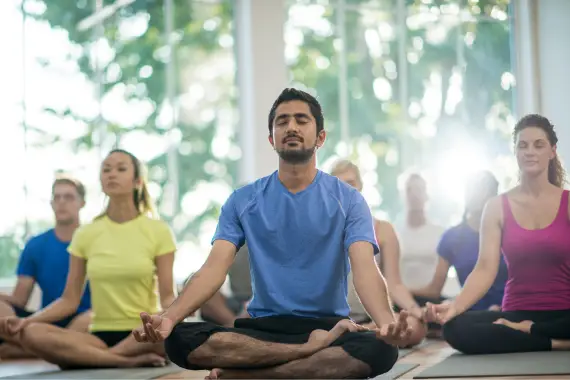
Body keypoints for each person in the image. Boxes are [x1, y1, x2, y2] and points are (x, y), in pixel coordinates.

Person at [133, 88, 413, 379]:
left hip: (327, 325)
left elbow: (366, 268)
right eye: (282, 122)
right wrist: (169, 318)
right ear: (272, 139)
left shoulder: (350, 200)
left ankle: (248, 376)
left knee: (381, 349)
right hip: (263, 330)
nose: (291, 126)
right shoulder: (242, 200)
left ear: (320, 138)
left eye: (301, 120)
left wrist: (385, 325)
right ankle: (306, 355)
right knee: (179, 339)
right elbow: (212, 269)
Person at [0, 149, 176, 368]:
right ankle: (121, 360)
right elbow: (69, 300)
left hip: (142, 333)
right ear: (101, 181)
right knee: (32, 333)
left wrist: (171, 318)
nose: (112, 174)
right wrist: (26, 321)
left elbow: (168, 296)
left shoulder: (158, 231)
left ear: (138, 181)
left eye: (121, 169)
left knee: (174, 334)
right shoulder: (86, 234)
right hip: (98, 335)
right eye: (106, 170)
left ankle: (93, 358)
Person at [425, 114, 570, 354]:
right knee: (454, 327)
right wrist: (455, 307)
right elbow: (484, 269)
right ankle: (550, 342)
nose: (530, 151)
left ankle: (529, 332)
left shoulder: (568, 204)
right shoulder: (496, 207)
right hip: (514, 313)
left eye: (538, 144)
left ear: (552, 151)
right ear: (515, 152)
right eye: (522, 145)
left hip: (564, 314)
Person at [330, 159, 427, 346]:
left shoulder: (383, 229)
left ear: (360, 185)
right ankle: (359, 333)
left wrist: (416, 310)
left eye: (350, 183)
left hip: (373, 317)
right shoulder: (321, 230)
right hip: (334, 318)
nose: (345, 190)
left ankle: (370, 330)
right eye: (339, 185)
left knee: (415, 327)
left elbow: (394, 283)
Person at [0, 176, 92, 359]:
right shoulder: (36, 245)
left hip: (86, 321)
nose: (61, 202)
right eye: (56, 198)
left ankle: (38, 348)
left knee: (92, 319)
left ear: (82, 203)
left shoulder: (95, 239)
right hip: (46, 320)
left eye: (68, 197)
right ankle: (55, 347)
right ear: (51, 203)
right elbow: (19, 300)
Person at [414, 171, 508, 311]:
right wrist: (397, 291)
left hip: (507, 310)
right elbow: (434, 289)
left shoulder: (509, 232)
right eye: (472, 189)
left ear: (493, 195)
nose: (477, 195)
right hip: (468, 314)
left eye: (483, 189)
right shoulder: (452, 238)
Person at [394, 173, 445, 303]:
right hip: (399, 301)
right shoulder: (393, 232)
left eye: (419, 189)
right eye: (409, 190)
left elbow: (437, 287)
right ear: (402, 195)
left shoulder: (439, 233)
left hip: (431, 301)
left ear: (427, 194)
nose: (414, 195)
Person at [200, 244, 252, 327]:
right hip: (235, 302)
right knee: (201, 286)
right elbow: (209, 276)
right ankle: (235, 325)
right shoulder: (231, 241)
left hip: (262, 301)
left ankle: (236, 326)